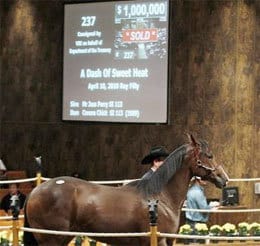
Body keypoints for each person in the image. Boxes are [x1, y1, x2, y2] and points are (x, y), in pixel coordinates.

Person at [185, 176, 219, 242]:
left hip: (191, 223)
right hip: (197, 225)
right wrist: (212, 207)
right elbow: (204, 209)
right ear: (198, 180)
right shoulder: (198, 193)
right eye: (204, 179)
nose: (206, 181)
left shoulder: (191, 190)